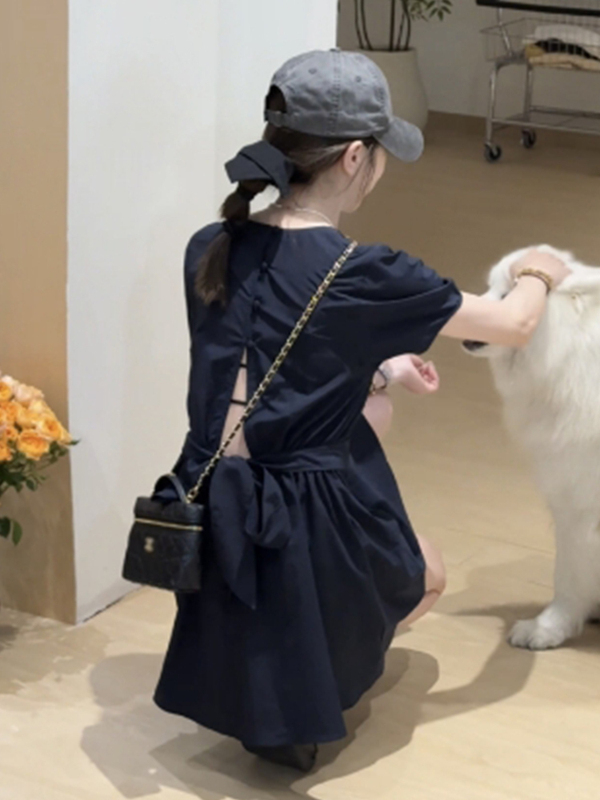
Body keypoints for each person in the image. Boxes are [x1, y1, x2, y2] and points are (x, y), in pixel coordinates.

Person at [153, 49, 569, 771]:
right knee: (427, 569)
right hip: (302, 517)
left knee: (356, 445)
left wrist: (378, 366)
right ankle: (314, 669)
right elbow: (513, 324)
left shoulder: (210, 245)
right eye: (379, 154)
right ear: (354, 157)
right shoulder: (364, 273)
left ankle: (272, 675)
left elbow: (259, 365)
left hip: (208, 500)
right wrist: (540, 269)